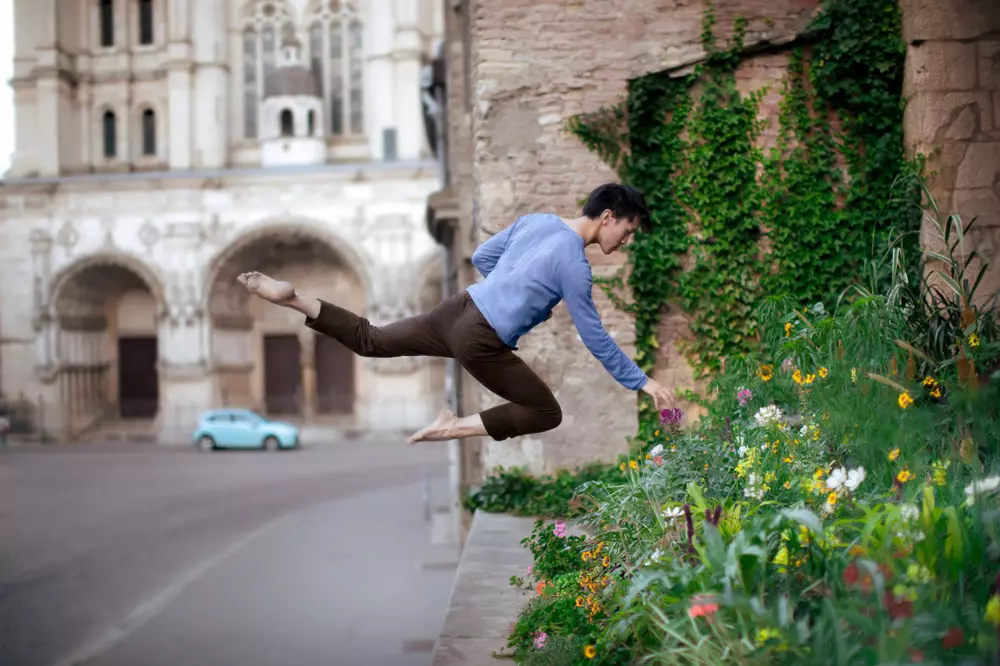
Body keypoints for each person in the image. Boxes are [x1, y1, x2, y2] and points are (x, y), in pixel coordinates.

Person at [237, 182, 676, 444]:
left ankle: (294, 299)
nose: (626, 240)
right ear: (607, 216)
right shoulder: (575, 267)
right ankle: (453, 427)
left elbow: (483, 256)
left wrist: (512, 287)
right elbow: (595, 336)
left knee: (372, 339)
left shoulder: (538, 221)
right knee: (546, 413)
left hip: (458, 309)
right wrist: (644, 381)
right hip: (481, 338)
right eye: (628, 230)